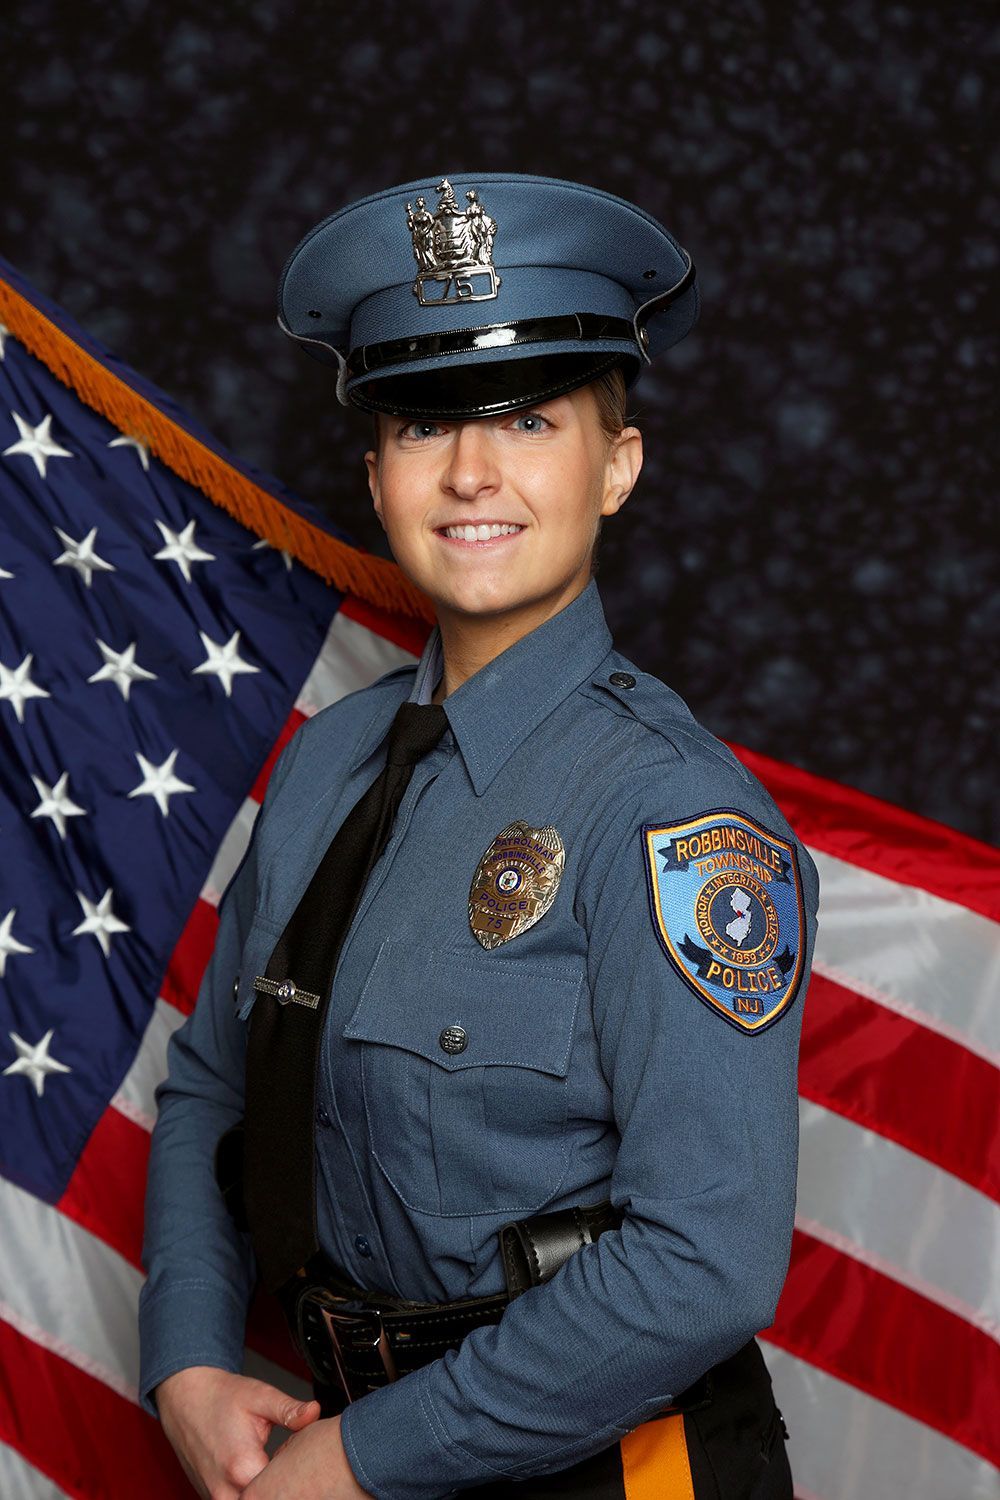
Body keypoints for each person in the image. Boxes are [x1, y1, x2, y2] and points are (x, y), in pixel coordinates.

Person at [139, 173, 819, 1500]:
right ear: (375, 475)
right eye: (420, 425)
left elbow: (706, 1263)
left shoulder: (675, 816)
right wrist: (188, 1357)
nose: (469, 473)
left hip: (615, 1471)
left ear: (617, 467)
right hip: (340, 1446)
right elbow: (214, 1087)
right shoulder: (326, 766)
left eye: (528, 419)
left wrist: (364, 1460)